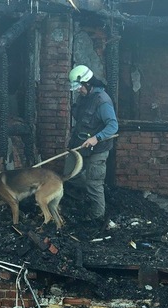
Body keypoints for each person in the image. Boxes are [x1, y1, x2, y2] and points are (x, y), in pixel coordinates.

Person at [65, 64, 119, 224]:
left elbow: (113, 126)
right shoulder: (84, 97)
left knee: (94, 183)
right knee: (69, 176)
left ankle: (97, 216)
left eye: (79, 87)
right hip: (79, 145)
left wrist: (97, 138)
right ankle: (90, 190)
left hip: (97, 149)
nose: (78, 90)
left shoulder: (103, 101)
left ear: (88, 83)